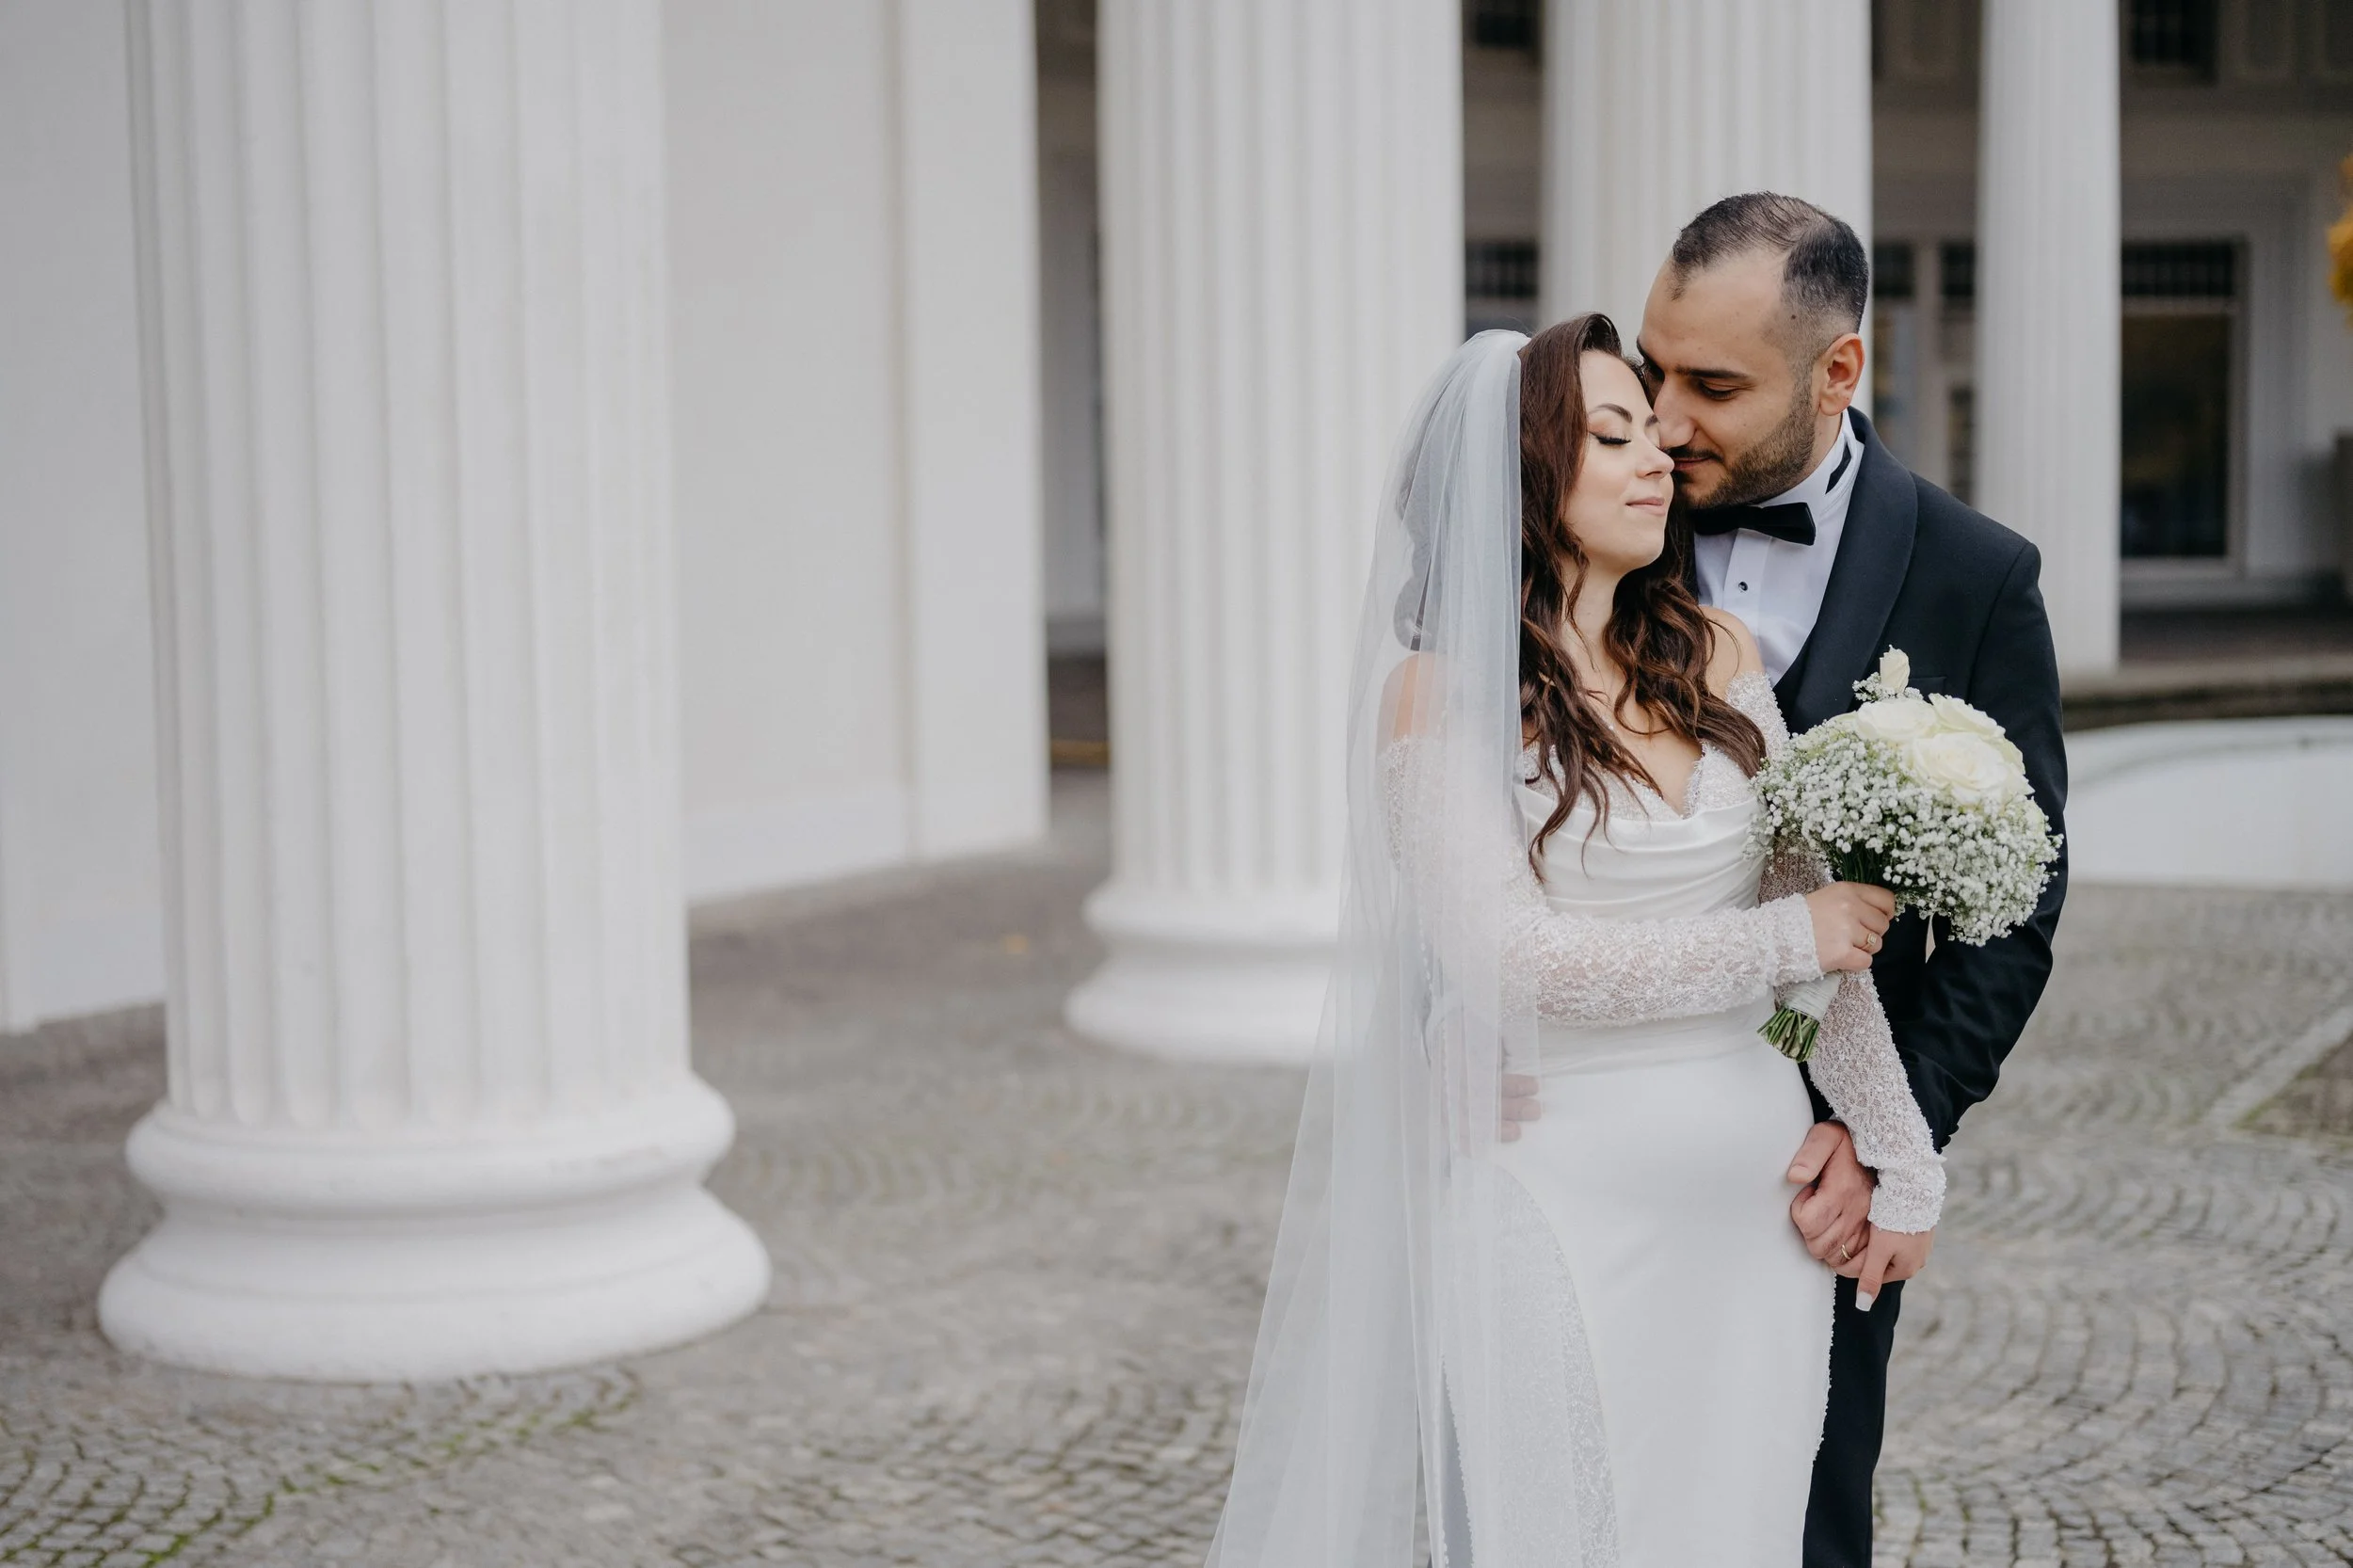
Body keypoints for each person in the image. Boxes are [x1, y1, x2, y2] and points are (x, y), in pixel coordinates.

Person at [1202, 312, 1945, 1568]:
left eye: (1651, 431)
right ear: (1528, 474)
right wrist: (1786, 939)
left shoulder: (1715, 654)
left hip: (1753, 1210)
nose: (1659, 456)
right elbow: (1517, 957)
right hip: (1557, 1190)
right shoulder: (1438, 694)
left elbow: (1831, 947)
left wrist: (1905, 1163)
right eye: (1614, 436)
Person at [1625, 192, 2069, 1568]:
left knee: (1803, 1509)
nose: (1663, 421)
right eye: (1651, 369)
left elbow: (2017, 906)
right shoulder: (1589, 515)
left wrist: (1894, 1131)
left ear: (1838, 371)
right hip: (1599, 1104)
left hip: (1818, 1150)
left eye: (1712, 387)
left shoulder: (1978, 576)